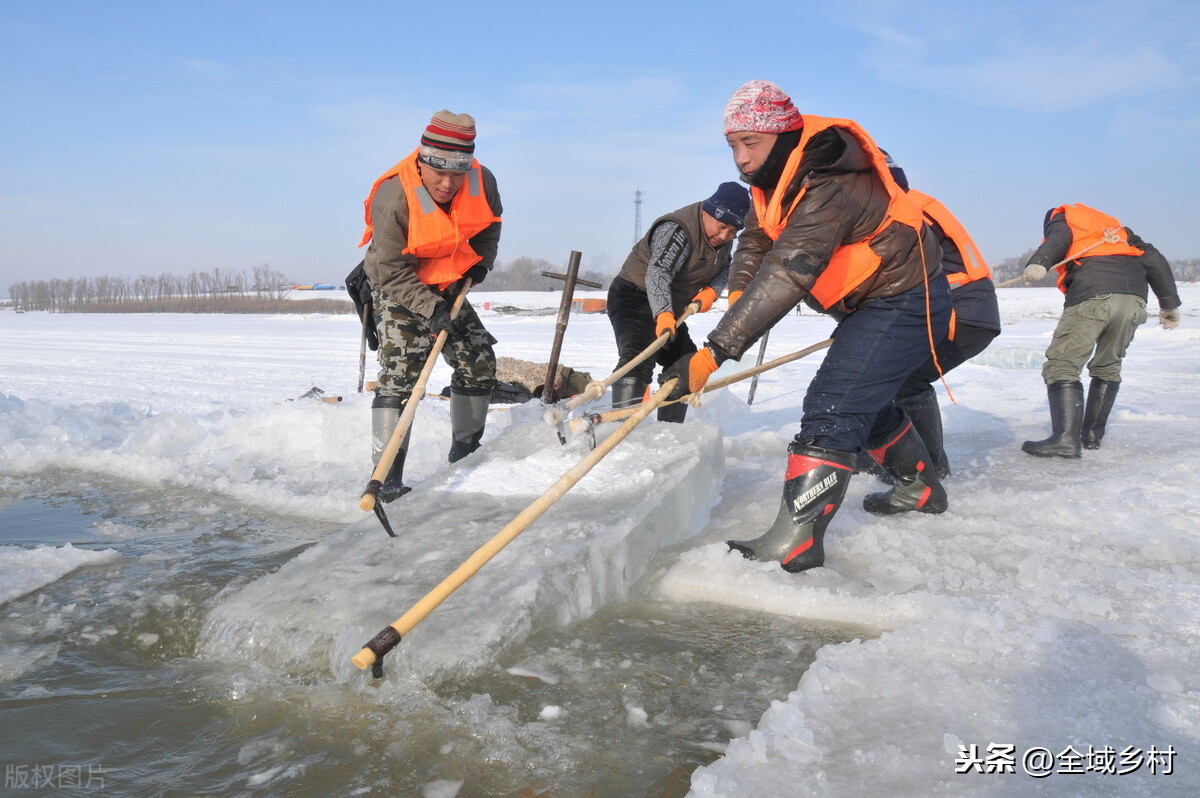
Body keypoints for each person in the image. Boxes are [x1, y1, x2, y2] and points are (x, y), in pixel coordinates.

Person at [660, 79, 952, 573]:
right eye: (733, 145)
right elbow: (756, 240)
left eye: (751, 144)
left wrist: (713, 352)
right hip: (873, 302)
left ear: (784, 133)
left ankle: (796, 541)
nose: (741, 158)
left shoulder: (829, 179)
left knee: (832, 405)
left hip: (906, 299)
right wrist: (738, 296)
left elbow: (791, 266)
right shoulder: (773, 179)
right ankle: (918, 486)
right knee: (864, 400)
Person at [355, 110, 503, 501]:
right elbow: (389, 270)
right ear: (422, 161)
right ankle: (385, 479)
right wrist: (429, 308)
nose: (447, 183)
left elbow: (492, 223)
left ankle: (465, 456)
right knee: (403, 376)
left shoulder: (482, 181)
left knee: (478, 360)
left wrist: (481, 264)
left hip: (450, 282)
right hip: (399, 285)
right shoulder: (394, 195)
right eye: (438, 172)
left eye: (457, 173)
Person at [861, 157, 1002, 479]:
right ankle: (920, 461)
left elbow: (895, 273)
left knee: (903, 379)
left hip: (959, 311)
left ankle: (927, 466)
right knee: (903, 378)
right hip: (967, 309)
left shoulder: (905, 216)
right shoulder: (914, 205)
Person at [1020, 203, 1181, 458]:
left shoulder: (1063, 216)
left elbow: (1059, 237)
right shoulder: (1120, 232)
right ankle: (1092, 435)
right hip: (1134, 300)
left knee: (1062, 364)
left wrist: (1040, 262)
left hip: (1094, 294)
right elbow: (1155, 260)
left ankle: (1065, 439)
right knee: (1108, 365)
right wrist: (1170, 304)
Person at [606, 182, 750, 422]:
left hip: (669, 307)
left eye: (733, 232)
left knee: (685, 362)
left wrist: (712, 291)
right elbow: (658, 273)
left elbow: (725, 268)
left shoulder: (725, 238)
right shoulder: (678, 229)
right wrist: (663, 313)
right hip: (634, 295)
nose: (725, 236)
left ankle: (668, 432)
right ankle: (617, 431)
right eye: (722, 226)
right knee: (637, 358)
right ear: (707, 211)